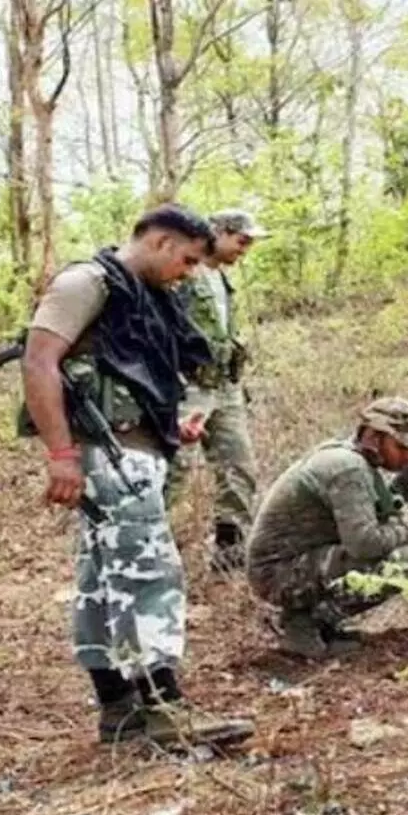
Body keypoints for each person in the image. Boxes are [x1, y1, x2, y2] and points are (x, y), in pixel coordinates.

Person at [20, 204, 254, 748]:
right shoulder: (86, 282)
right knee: (150, 574)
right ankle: (165, 712)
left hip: (131, 447)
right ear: (162, 244)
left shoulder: (139, 295)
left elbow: (126, 373)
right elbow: (38, 362)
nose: (190, 272)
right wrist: (60, 454)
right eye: (188, 260)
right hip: (107, 453)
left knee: (105, 580)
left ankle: (120, 711)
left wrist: (169, 424)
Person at [245, 397, 408, 660]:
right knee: (406, 561)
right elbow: (365, 543)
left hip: (294, 564)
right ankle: (303, 627)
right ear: (375, 438)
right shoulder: (347, 468)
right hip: (277, 573)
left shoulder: (352, 459)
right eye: (402, 447)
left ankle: (318, 624)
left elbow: (387, 506)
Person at [166, 209, 268, 574]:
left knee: (239, 467)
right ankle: (150, 546)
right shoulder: (183, 275)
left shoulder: (222, 279)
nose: (245, 250)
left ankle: (229, 552)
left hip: (225, 386)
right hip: (189, 386)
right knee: (174, 469)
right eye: (241, 241)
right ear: (220, 234)